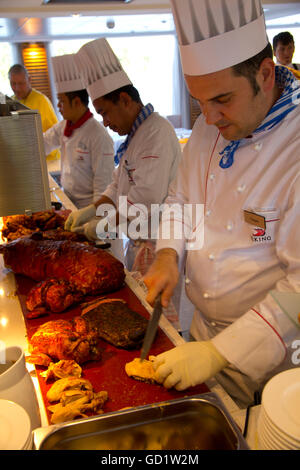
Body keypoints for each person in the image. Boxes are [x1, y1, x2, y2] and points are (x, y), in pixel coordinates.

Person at [143, 0, 300, 408]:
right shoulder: (207, 125)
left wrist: (222, 353)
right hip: (203, 335)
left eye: (222, 100)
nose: (208, 119)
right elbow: (181, 198)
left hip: (273, 356)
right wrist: (166, 253)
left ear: (265, 74)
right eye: (200, 103)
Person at [65, 38, 182, 273]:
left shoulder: (156, 131)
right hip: (140, 240)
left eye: (105, 113)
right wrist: (91, 211)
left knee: (154, 308)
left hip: (160, 245)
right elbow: (117, 183)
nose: (105, 123)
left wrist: (105, 223)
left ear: (125, 101)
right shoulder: (136, 134)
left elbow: (146, 197)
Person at [43, 54, 114, 209]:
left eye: (61, 101)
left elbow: (103, 186)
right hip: (68, 202)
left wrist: (95, 219)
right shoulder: (63, 126)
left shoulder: (98, 135)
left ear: (76, 102)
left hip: (88, 208)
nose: (58, 106)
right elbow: (42, 144)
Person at [8, 63, 60, 162]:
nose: (17, 88)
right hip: (26, 159)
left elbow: (56, 133)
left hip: (48, 160)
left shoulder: (41, 100)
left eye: (21, 83)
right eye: (13, 84)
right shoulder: (11, 101)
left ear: (29, 80)